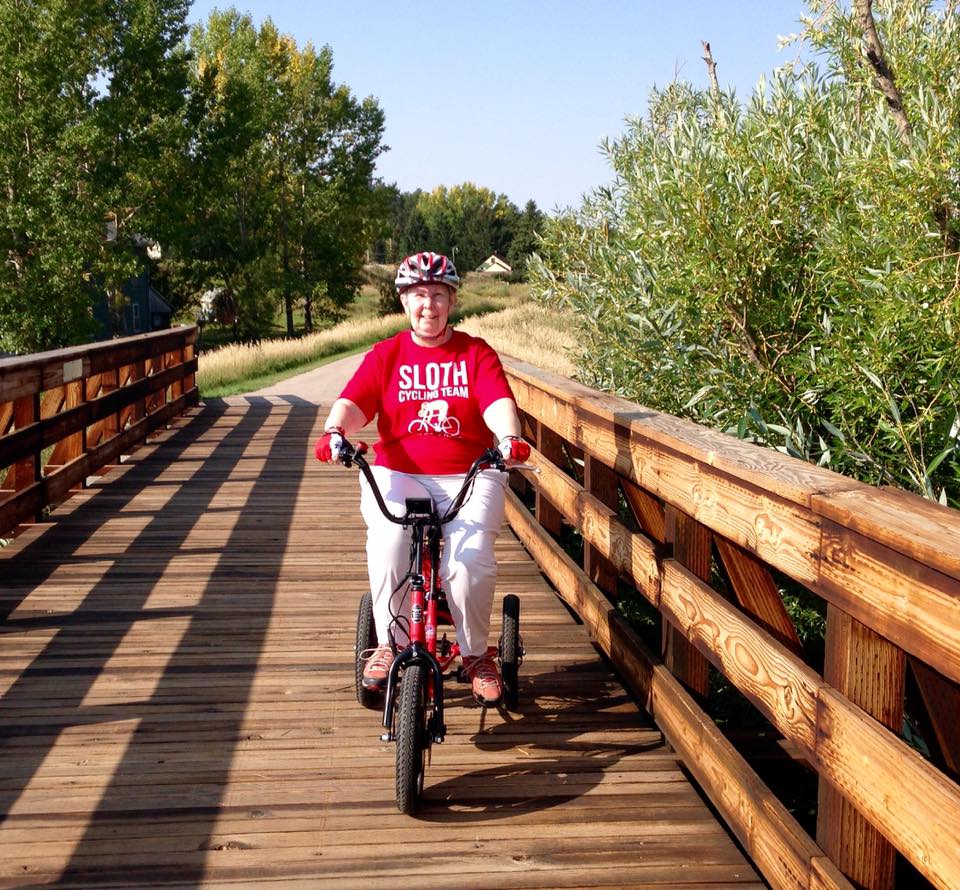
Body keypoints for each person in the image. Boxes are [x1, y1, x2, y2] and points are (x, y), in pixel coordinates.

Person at [315, 251, 530, 707]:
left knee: (468, 562)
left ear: (451, 301)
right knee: (390, 541)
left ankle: (475, 655)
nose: (427, 305)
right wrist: (335, 431)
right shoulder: (387, 355)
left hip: (469, 474)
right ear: (404, 302)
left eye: (437, 295)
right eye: (418, 295)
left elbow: (497, 402)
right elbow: (354, 402)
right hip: (400, 473)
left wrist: (509, 438)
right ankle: (389, 644)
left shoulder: (475, 354)